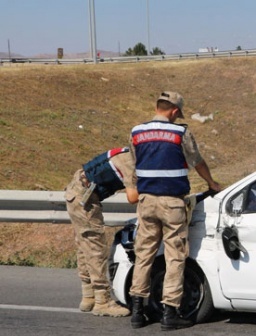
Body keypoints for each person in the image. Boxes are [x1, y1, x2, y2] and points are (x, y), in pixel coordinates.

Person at [128, 91, 222, 331]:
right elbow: (197, 161)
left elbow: (133, 165)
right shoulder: (180, 132)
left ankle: (137, 312)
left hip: (146, 201)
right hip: (172, 204)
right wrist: (212, 184)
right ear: (175, 111)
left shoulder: (137, 132)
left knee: (144, 255)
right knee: (175, 256)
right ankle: (170, 312)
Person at [64, 147, 139, 317]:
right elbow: (132, 197)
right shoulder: (131, 162)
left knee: (84, 246)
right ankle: (102, 301)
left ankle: (89, 296)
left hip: (77, 192)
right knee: (95, 249)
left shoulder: (128, 152)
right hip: (85, 198)